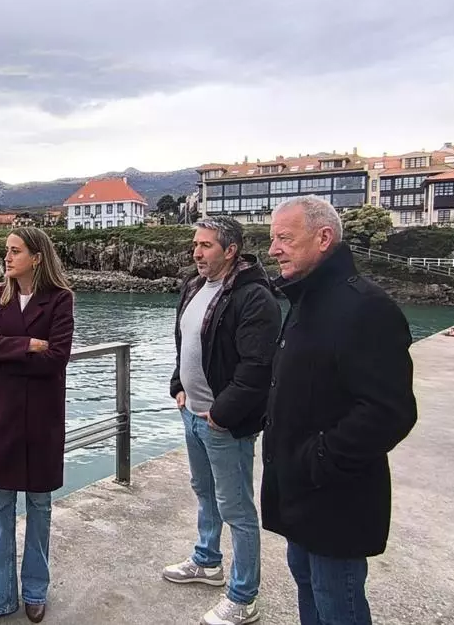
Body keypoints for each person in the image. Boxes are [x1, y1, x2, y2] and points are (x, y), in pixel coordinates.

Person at [262, 195, 417, 625]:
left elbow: (389, 411)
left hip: (335, 497)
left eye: (284, 238)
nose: (273, 249)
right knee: (308, 588)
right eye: (273, 239)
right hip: (298, 491)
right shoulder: (305, 301)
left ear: (324, 237)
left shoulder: (365, 307)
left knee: (337, 603)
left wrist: (319, 459)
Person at [162, 216, 281, 625]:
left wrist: (220, 414)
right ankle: (207, 561)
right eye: (195, 244)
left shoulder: (254, 297)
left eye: (206, 245)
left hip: (223, 423)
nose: (196, 252)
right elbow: (186, 344)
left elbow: (256, 368)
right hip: (192, 413)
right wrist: (178, 385)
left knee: (237, 509)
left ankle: (243, 597)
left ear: (230, 250)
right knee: (205, 492)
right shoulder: (194, 286)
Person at [0, 227, 75, 625]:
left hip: (43, 419)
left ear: (37, 257)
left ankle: (35, 591)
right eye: (6, 251)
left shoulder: (60, 299)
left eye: (15, 251)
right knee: (0, 508)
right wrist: (28, 344)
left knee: (40, 507)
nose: (7, 257)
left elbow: (56, 359)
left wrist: (4, 346)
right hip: (2, 417)